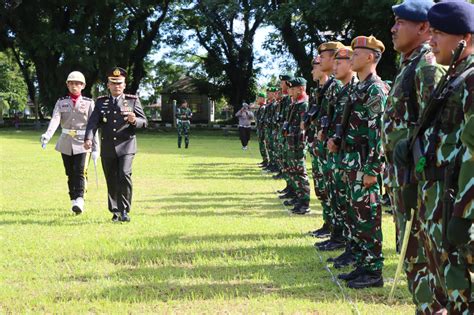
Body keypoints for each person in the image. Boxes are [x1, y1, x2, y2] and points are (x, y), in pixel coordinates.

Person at [397, 1, 474, 312]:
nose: (431, 39)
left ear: (466, 38)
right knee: (446, 291)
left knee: (463, 296)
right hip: (437, 204)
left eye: (439, 33)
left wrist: (464, 215)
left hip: (455, 206)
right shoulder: (454, 77)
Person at [383, 0, 446, 312]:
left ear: (423, 28)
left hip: (420, 186)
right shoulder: (410, 65)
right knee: (413, 260)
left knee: (424, 262)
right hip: (405, 181)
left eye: (400, 22)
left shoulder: (427, 68)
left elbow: (436, 135)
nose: (393, 29)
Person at [329, 35, 390, 289]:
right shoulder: (358, 88)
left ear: (370, 57)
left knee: (368, 216)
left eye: (356, 54)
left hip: (365, 161)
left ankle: (374, 271)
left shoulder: (375, 89)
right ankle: (363, 265)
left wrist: (373, 170)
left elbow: (379, 133)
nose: (351, 57)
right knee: (355, 215)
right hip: (351, 159)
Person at [84, 67, 148, 222]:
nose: (116, 86)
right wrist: (88, 138)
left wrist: (134, 121)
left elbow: (144, 122)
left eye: (119, 83)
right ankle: (115, 211)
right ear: (108, 85)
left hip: (126, 145)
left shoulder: (132, 101)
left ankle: (125, 211)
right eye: (113, 83)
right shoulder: (101, 102)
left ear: (124, 85)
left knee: (124, 175)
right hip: (108, 148)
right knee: (111, 179)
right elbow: (93, 123)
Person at [40, 71, 99, 215]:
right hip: (66, 142)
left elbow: (93, 125)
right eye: (72, 83)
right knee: (70, 172)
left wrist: (96, 148)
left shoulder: (89, 102)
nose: (74, 86)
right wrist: (47, 135)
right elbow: (55, 119)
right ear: (67, 85)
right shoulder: (61, 102)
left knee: (80, 171)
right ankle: (73, 200)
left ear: (83, 86)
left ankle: (80, 199)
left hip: (83, 143)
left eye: (78, 83)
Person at [285, 77, 311, 215]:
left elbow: (303, 127)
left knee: (300, 172)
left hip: (298, 143)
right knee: (293, 171)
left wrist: (301, 144)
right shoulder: (296, 103)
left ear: (301, 88)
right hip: (291, 141)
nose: (291, 91)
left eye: (293, 89)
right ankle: (298, 198)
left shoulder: (304, 104)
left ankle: (304, 202)